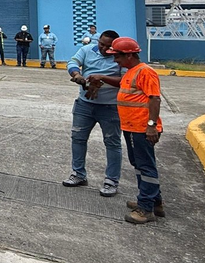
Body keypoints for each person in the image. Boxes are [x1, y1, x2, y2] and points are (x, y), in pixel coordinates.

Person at [88, 36, 164, 224]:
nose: (115, 60)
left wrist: (151, 126)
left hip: (142, 128)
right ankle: (154, 201)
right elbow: (121, 85)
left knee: (145, 166)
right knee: (139, 164)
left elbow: (155, 99)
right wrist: (102, 78)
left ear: (129, 55)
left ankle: (146, 209)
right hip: (131, 128)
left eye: (118, 56)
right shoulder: (131, 71)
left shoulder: (145, 72)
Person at [63, 30, 123, 197]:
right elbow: (73, 62)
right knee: (78, 138)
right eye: (101, 44)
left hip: (110, 107)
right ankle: (78, 174)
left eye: (108, 47)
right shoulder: (87, 50)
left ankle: (111, 181)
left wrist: (101, 79)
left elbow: (125, 80)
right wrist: (77, 74)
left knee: (112, 143)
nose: (103, 49)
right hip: (85, 105)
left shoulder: (120, 56)